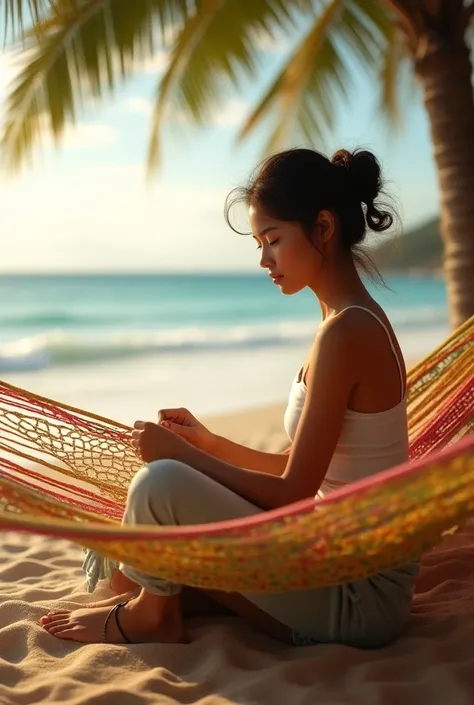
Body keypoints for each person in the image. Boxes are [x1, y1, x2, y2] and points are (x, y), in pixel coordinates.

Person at [40, 147, 419, 647]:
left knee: (161, 485)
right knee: (163, 539)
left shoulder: (346, 332)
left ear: (323, 227)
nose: (264, 259)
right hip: (330, 556)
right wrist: (208, 444)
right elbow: (302, 466)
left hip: (358, 595)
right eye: (260, 243)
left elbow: (294, 492)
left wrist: (181, 458)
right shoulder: (344, 320)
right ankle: (144, 600)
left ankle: (151, 616)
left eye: (273, 240)